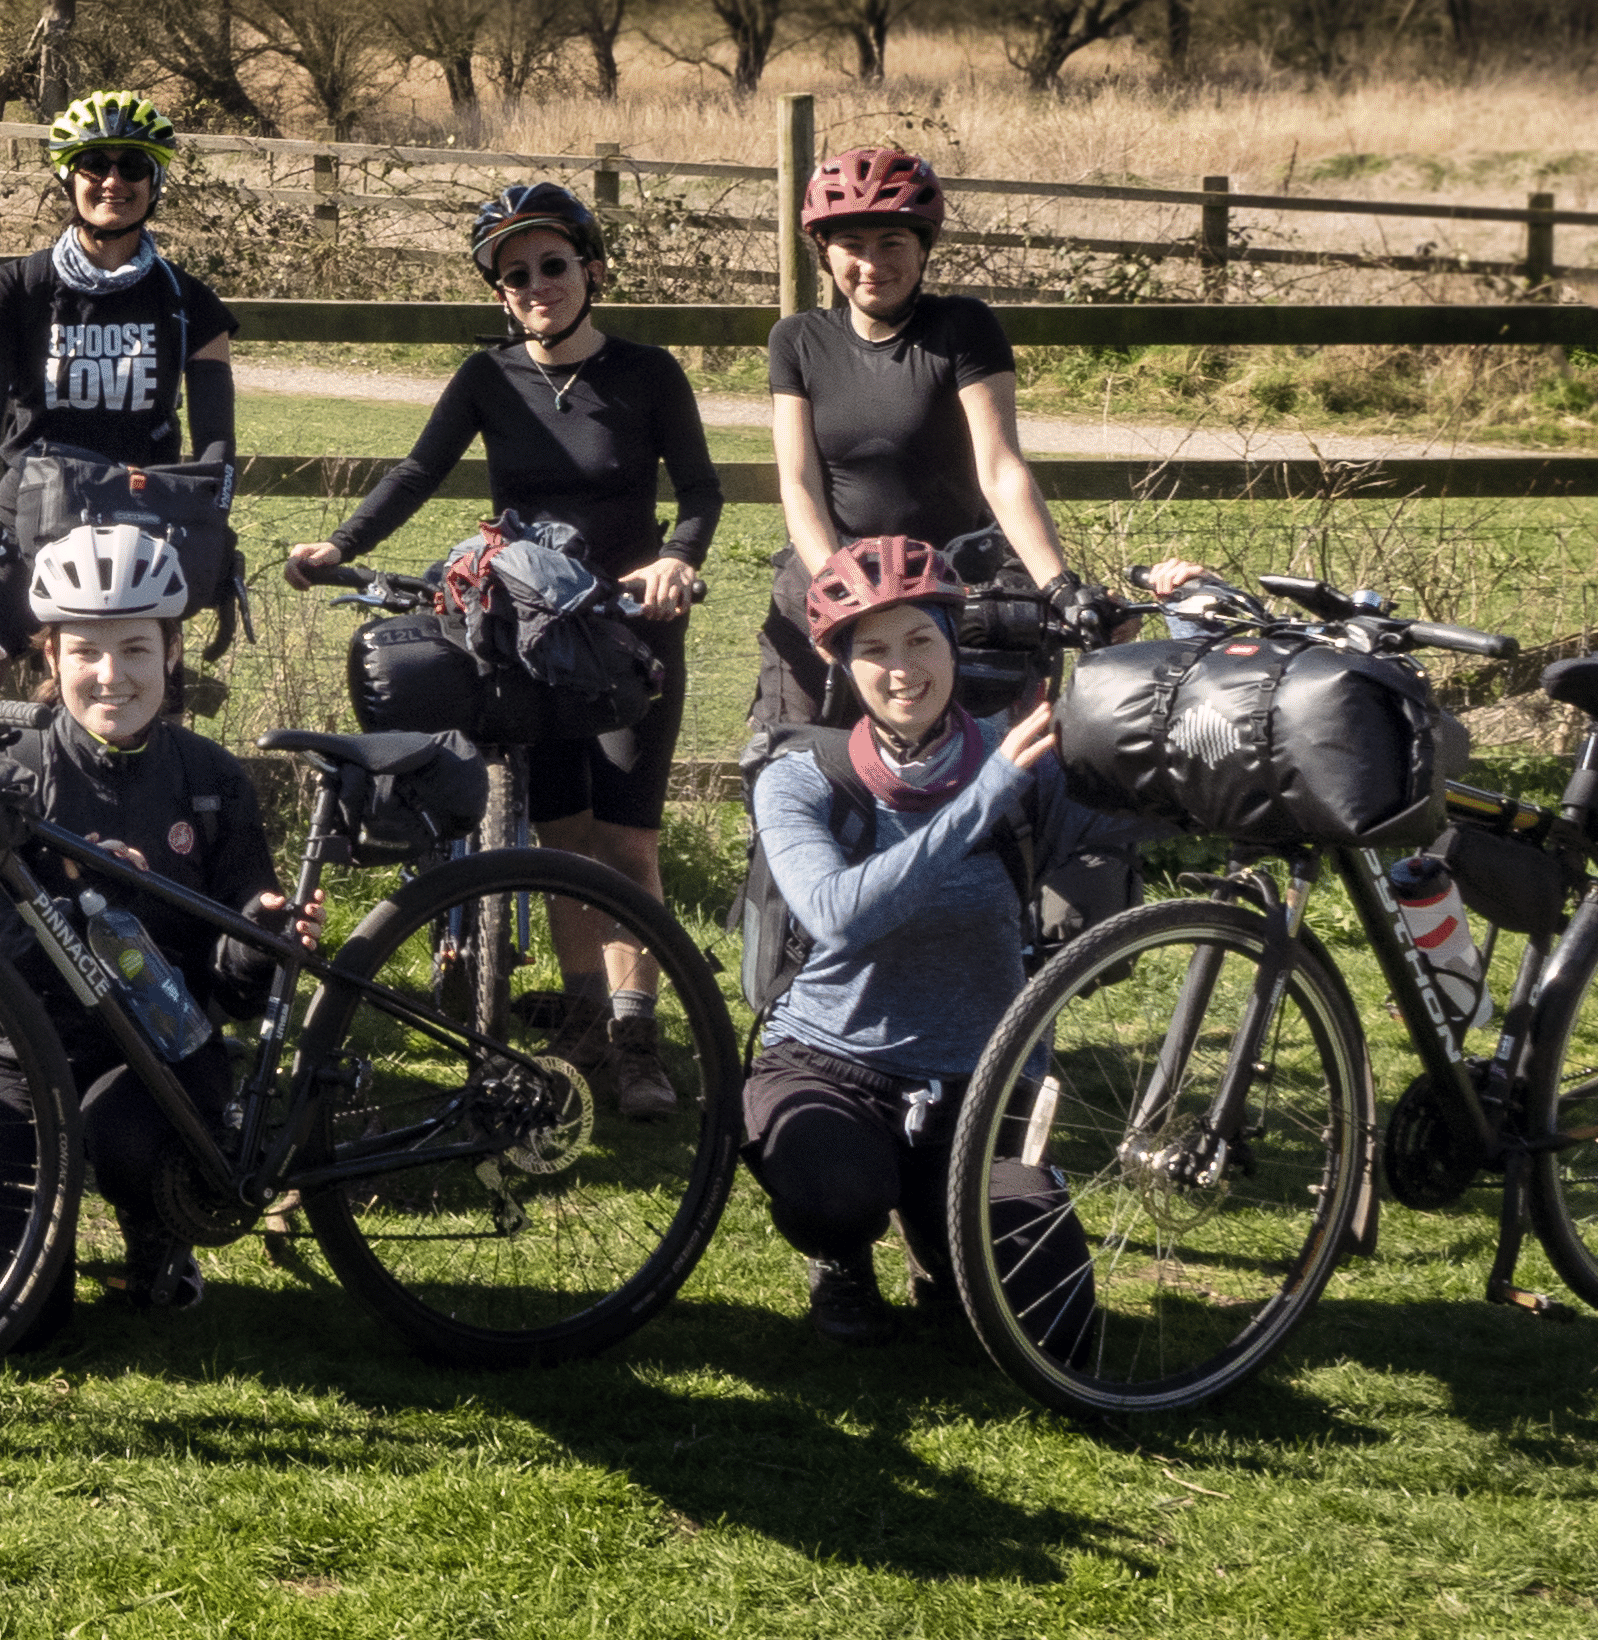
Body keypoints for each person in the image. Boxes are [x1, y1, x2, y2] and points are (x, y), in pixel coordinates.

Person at [286, 181, 718, 1120]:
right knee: (561, 838)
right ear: (500, 293)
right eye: (515, 276)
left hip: (628, 635)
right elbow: (418, 468)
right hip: (534, 640)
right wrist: (341, 547)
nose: (537, 286)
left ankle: (640, 1040)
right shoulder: (488, 377)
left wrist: (675, 563)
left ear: (591, 270)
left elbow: (698, 494)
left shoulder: (648, 374)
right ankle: (584, 1024)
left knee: (629, 843)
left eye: (554, 265)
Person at [741, 535, 1114, 1358]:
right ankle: (842, 1258)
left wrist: (1162, 656)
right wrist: (984, 798)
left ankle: (941, 1243)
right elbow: (840, 916)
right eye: (872, 649)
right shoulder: (802, 778)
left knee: (1062, 1331)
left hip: (979, 1086)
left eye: (921, 640)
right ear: (840, 664)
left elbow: (1138, 812)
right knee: (832, 1189)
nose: (902, 668)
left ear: (954, 643)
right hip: (830, 1065)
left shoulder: (1020, 761)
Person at [0, 523, 287, 1340]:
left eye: (134, 649)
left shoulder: (211, 780)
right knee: (11, 1330)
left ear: (171, 654)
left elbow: (233, 995)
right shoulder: (1, 769)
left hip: (154, 1057)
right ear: (49, 659)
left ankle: (157, 1231)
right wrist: (70, 890)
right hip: (7, 1047)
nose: (111, 676)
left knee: (132, 1135)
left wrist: (260, 940)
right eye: (85, 651)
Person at [752, 143, 1077, 771]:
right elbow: (798, 483)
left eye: (891, 243)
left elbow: (1001, 467)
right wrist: (837, 585)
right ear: (826, 253)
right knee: (798, 760)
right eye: (852, 245)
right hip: (834, 571)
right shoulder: (798, 340)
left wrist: (1057, 584)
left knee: (980, 763)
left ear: (923, 248)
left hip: (951, 578)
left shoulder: (962, 327)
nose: (871, 264)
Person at [0, 91, 238, 676]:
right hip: (29, 512)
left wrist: (211, 518)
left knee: (147, 695)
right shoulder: (14, 290)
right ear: (67, 177)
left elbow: (217, 444)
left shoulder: (192, 304)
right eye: (95, 164)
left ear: (155, 182)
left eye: (131, 166)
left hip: (140, 520)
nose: (113, 181)